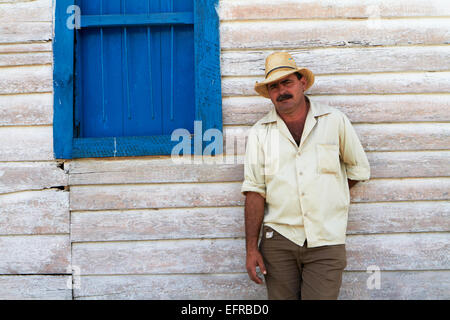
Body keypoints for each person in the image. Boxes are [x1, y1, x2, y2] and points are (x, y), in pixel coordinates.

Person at [241, 52, 370, 300]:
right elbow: (255, 190)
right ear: (269, 93)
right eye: (274, 86)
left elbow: (358, 169)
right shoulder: (260, 133)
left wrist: (327, 192)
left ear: (302, 83)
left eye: (287, 82)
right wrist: (250, 249)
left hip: (326, 238)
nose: (281, 91)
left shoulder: (335, 121)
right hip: (278, 240)